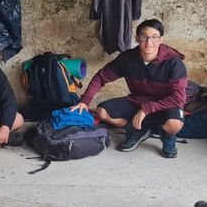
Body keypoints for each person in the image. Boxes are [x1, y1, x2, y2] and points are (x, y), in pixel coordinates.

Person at [71, 19, 187, 159]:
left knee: (174, 124)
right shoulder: (127, 58)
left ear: (161, 39)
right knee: (102, 112)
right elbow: (101, 77)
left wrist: (146, 109)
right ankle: (137, 131)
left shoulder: (174, 62)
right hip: (138, 99)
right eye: (144, 37)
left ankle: (168, 137)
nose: (149, 42)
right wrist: (85, 101)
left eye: (154, 37)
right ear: (137, 38)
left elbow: (178, 98)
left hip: (165, 103)